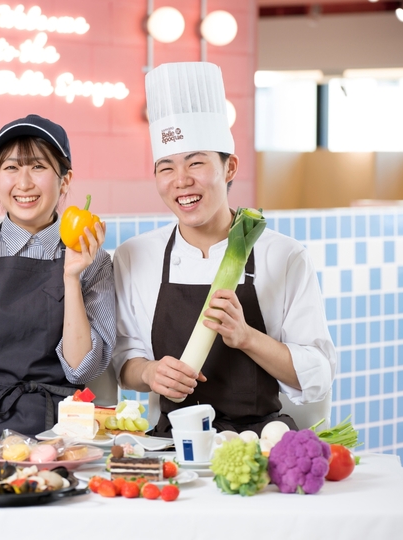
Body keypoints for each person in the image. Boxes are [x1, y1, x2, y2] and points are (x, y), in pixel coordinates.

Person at [113, 62, 336, 436]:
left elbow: (318, 374)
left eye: (196, 162)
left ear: (229, 167)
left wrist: (247, 337)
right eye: (166, 168)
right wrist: (150, 372)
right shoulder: (136, 256)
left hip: (259, 439)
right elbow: (123, 359)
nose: (181, 181)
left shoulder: (283, 256)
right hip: (171, 443)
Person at [0, 114, 116, 442]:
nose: (25, 183)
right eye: (12, 168)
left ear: (66, 179)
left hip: (61, 429)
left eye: (39, 167)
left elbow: (81, 368)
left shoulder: (93, 258)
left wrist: (71, 277)